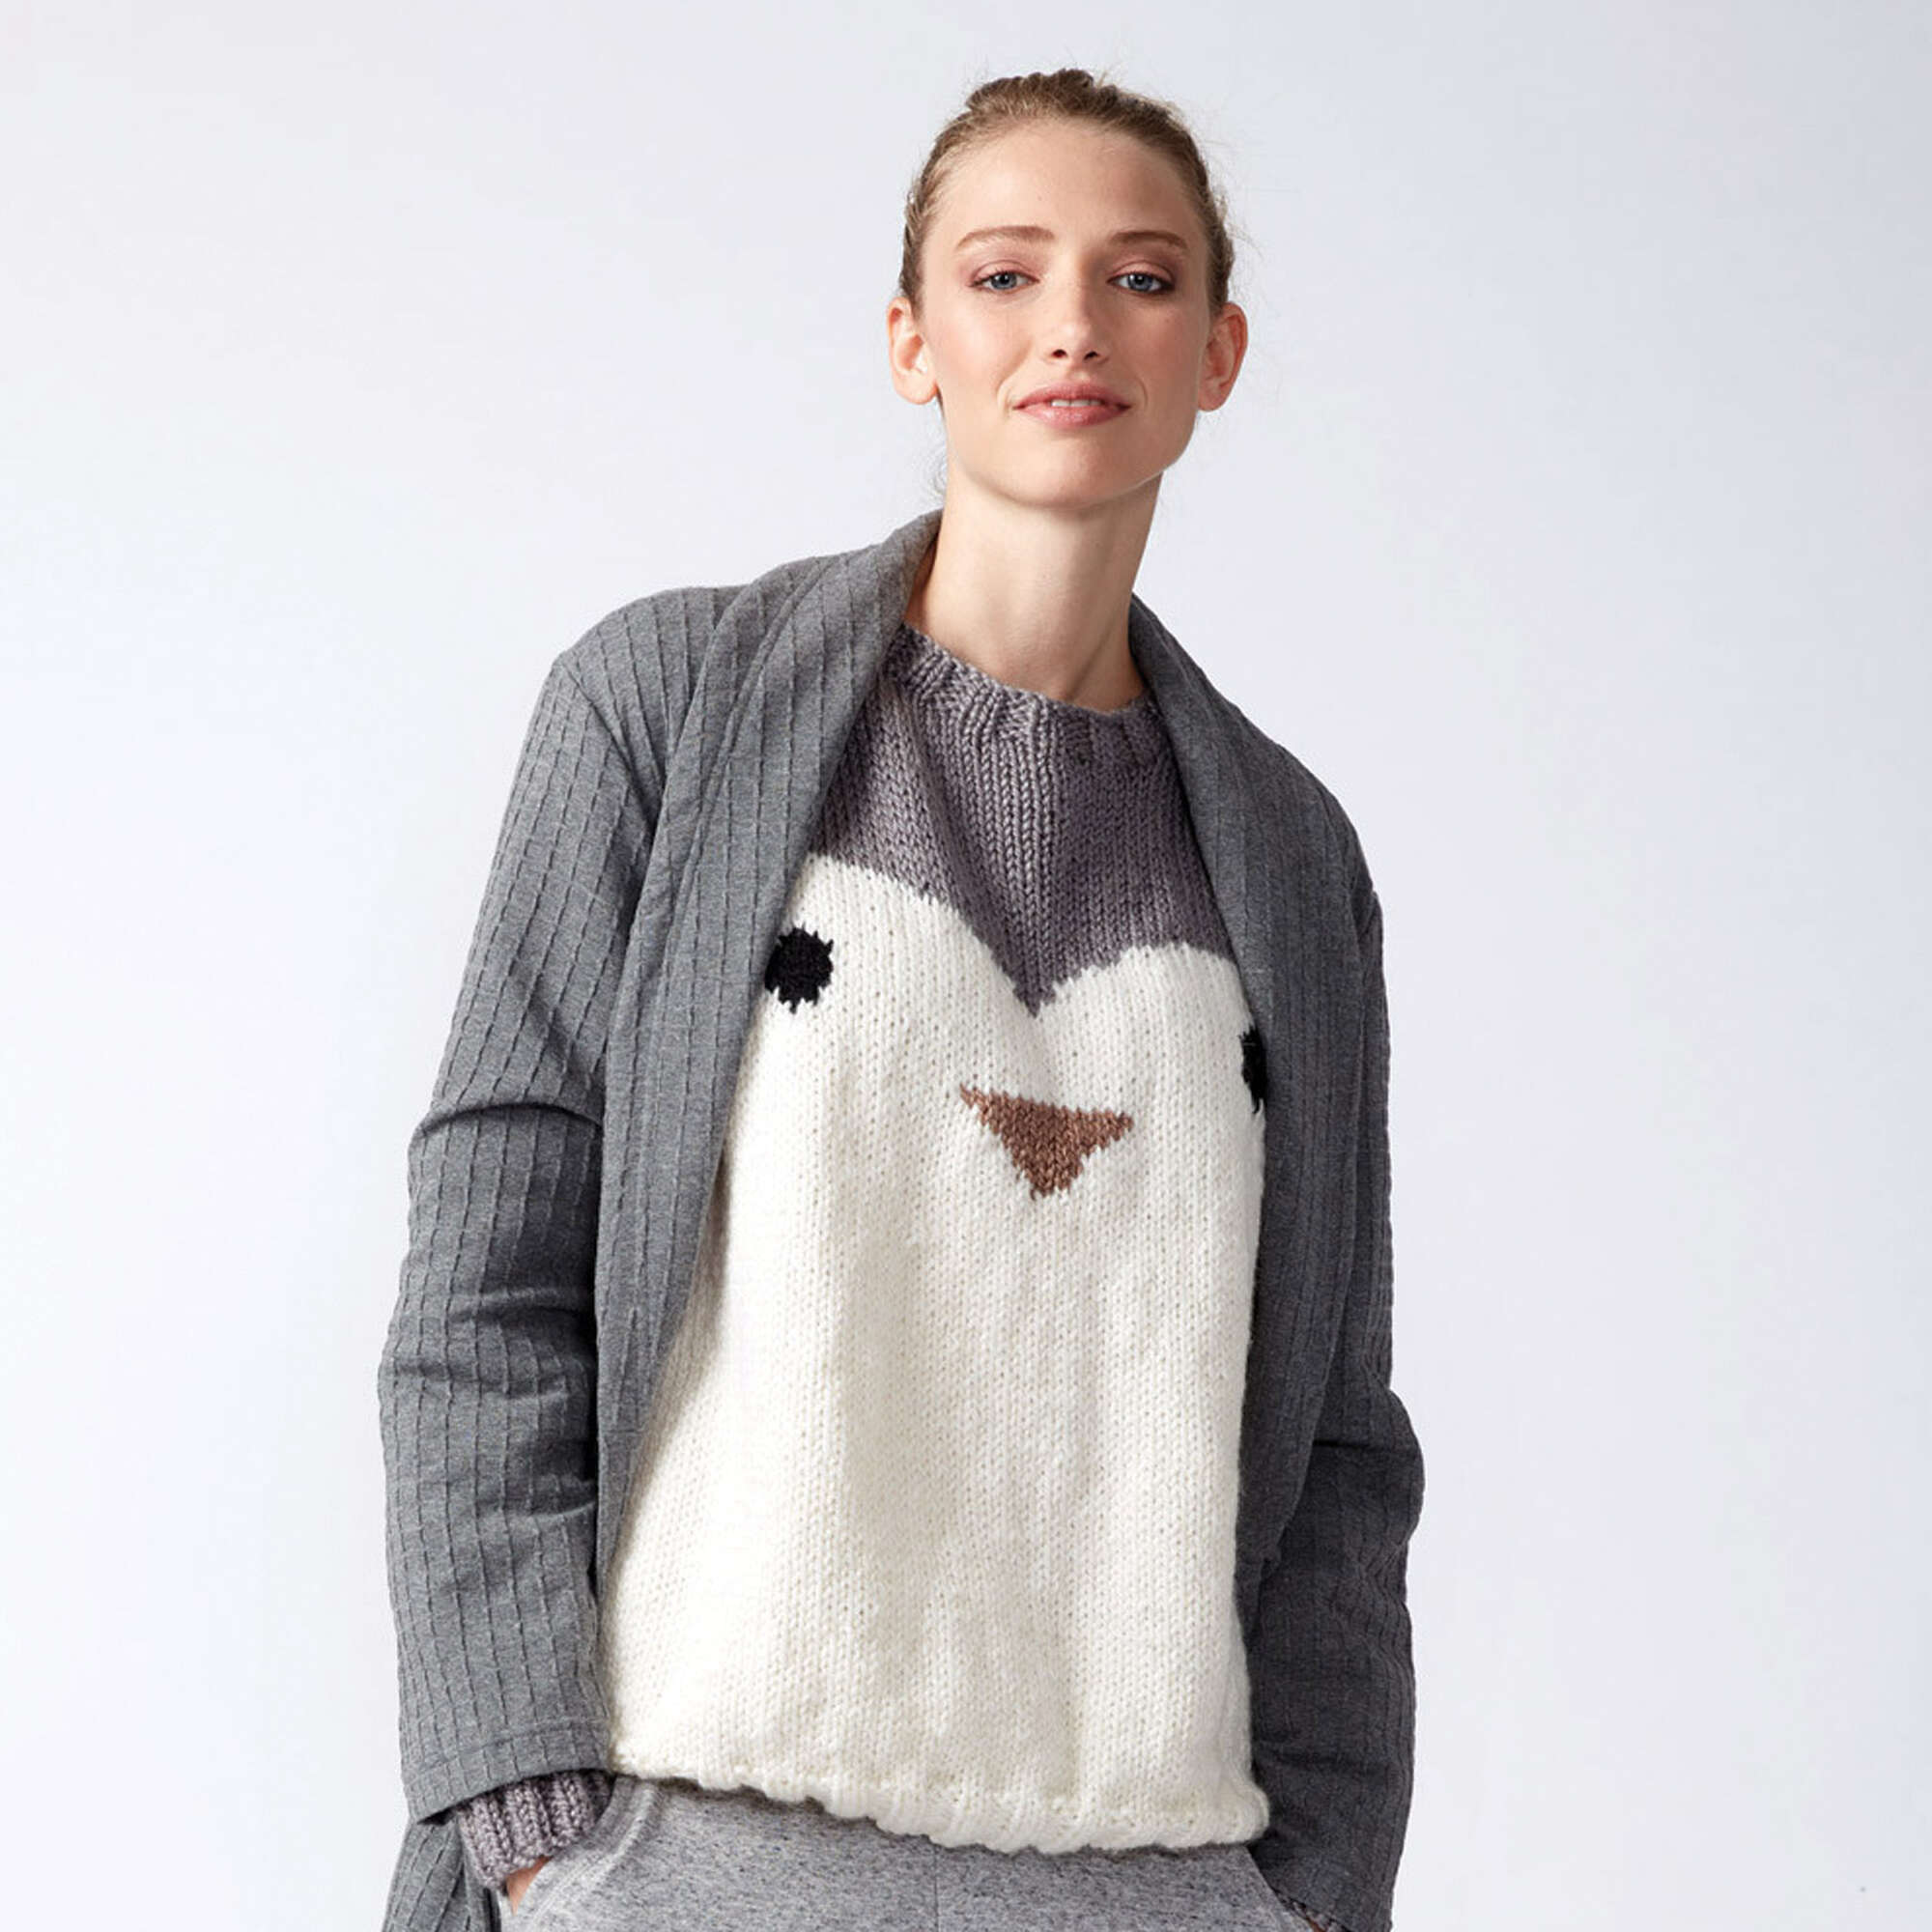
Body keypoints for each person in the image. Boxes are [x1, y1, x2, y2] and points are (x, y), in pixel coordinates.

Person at [378, 65, 1424, 1932]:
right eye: (1005, 275)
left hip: (1155, 1877)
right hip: (690, 1851)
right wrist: (529, 1823)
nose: (1073, 325)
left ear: (1217, 354)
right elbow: (490, 1278)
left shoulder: (1290, 854)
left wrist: (1315, 1894)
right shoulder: (666, 710)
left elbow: (1339, 1435)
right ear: (911, 341)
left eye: (1142, 278)